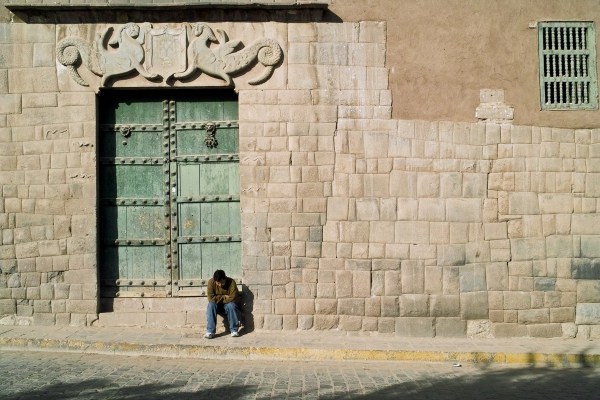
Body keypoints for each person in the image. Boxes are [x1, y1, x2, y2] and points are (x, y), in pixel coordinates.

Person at [205, 269, 241, 338]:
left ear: (225, 278)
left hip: (228, 305)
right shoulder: (211, 282)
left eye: (222, 283)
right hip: (216, 306)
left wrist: (218, 298)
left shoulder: (231, 282)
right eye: (218, 283)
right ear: (215, 280)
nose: (220, 285)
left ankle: (234, 330)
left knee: (231, 305)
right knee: (211, 305)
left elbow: (232, 297)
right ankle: (210, 331)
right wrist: (224, 296)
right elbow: (211, 298)